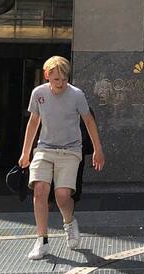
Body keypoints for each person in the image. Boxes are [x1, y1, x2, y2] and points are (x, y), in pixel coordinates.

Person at [19, 56, 105, 260]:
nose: (60, 84)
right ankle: (42, 240)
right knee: (39, 190)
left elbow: (89, 121)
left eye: (64, 79)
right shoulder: (38, 93)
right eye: (56, 79)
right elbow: (33, 122)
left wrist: (97, 149)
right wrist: (25, 151)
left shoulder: (76, 95)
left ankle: (69, 221)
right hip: (44, 148)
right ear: (47, 75)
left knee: (63, 195)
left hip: (70, 150)